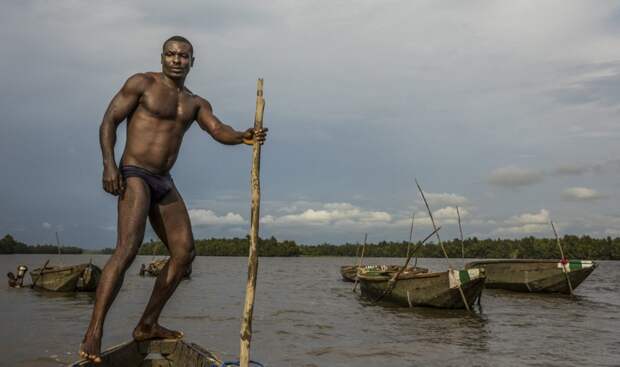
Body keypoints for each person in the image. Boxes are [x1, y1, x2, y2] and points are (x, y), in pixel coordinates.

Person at [79, 35, 267, 363]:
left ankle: (147, 324)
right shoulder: (142, 83)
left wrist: (242, 136)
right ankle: (93, 332)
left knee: (184, 254)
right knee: (127, 249)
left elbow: (217, 129)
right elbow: (109, 120)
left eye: (184, 56)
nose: (177, 60)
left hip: (164, 182)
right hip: (134, 173)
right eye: (171, 54)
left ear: (192, 62)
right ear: (162, 57)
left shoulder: (195, 103)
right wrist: (109, 164)